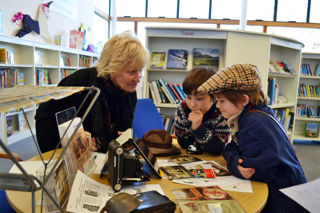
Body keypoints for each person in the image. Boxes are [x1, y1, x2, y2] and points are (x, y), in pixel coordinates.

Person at [197, 64, 307, 212]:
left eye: (222, 101)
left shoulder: (253, 123)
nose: (217, 106)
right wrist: (234, 157)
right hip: (291, 193)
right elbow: (232, 147)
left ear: (243, 100)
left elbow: (251, 170)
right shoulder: (255, 114)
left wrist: (233, 163)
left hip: (283, 203)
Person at [35, 31, 149, 153]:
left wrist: (124, 139)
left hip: (102, 156)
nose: (138, 78)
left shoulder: (128, 90)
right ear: (113, 68)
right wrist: (75, 144)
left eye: (140, 71)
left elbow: (123, 129)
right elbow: (46, 119)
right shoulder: (81, 83)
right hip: (68, 153)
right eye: (131, 72)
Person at [174, 66, 230, 155]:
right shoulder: (182, 109)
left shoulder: (222, 112)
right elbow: (183, 143)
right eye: (188, 97)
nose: (192, 104)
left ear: (214, 97)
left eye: (199, 99)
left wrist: (198, 128)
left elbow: (219, 149)